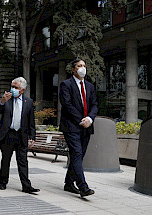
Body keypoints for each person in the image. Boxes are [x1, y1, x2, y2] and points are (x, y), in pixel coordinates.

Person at [0, 77, 39, 194]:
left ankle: (26, 185)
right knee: (6, 159)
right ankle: (3, 182)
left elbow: (31, 121)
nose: (12, 89)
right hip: (7, 134)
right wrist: (2, 101)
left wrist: (32, 136)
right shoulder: (6, 99)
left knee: (23, 161)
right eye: (12, 86)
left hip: (21, 135)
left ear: (22, 90)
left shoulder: (28, 102)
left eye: (15, 87)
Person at [59, 58, 98, 198]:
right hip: (71, 125)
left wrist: (90, 118)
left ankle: (69, 183)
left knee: (79, 156)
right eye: (79, 66)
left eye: (84, 66)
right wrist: (81, 119)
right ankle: (83, 187)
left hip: (87, 126)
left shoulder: (90, 86)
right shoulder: (65, 84)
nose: (82, 68)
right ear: (73, 69)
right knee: (76, 153)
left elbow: (95, 105)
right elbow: (67, 104)